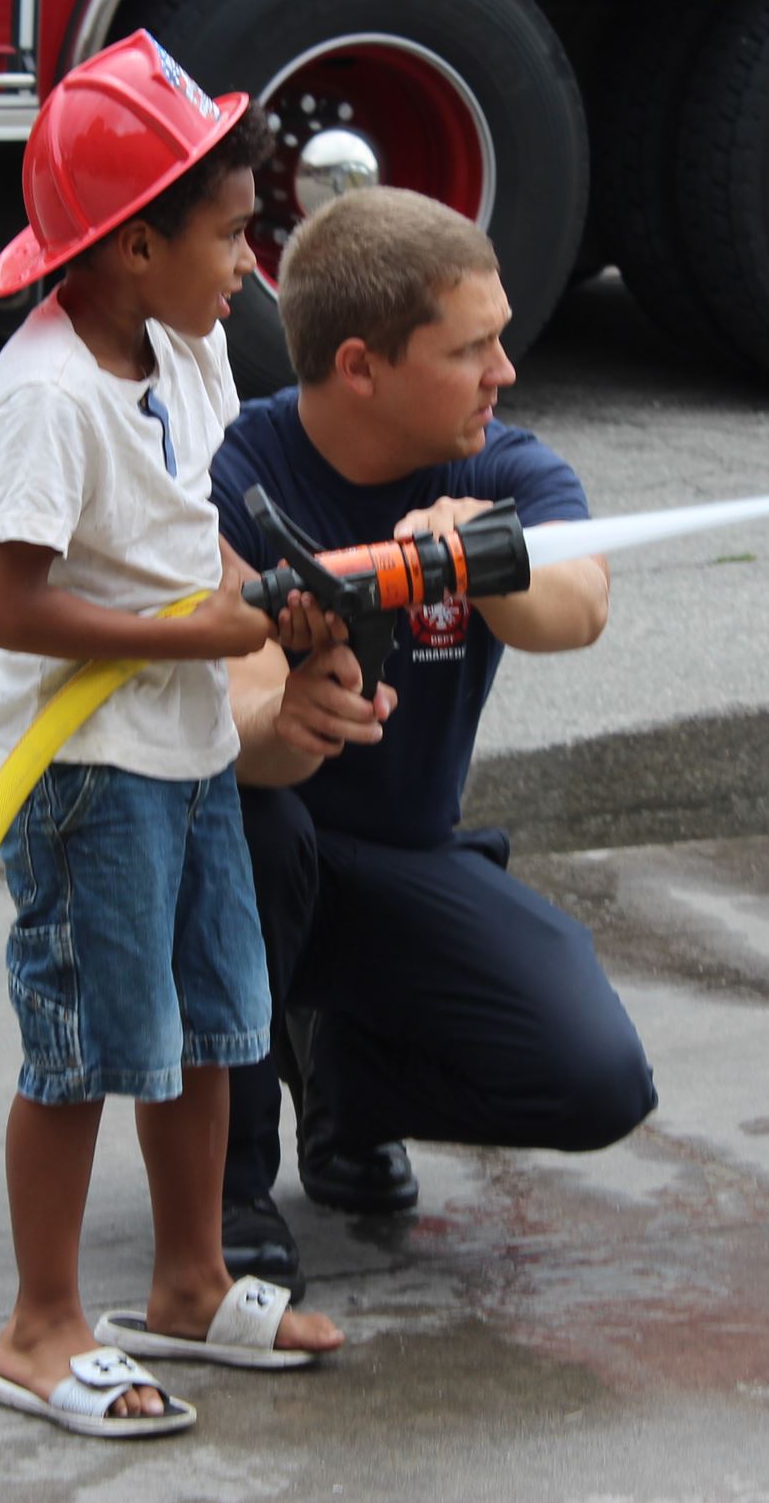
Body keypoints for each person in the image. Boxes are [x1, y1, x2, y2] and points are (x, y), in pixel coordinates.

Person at [0, 31, 343, 1440]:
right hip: (86, 779)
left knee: (205, 1031)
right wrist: (201, 635)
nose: (251, 261)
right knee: (82, 1046)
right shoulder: (49, 394)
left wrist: (273, 606)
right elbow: (5, 601)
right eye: (233, 234)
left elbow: (200, 546)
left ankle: (191, 1280)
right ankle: (40, 1324)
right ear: (133, 244)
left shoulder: (187, 350)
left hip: (183, 752)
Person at [208, 186, 659, 1293]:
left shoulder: (502, 469)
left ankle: (346, 1083)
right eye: (471, 349)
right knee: (257, 826)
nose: (503, 371)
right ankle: (224, 1186)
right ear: (359, 366)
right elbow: (231, 718)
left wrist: (483, 561)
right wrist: (285, 716)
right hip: (247, 870)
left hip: (403, 864)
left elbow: (579, 607)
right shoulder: (230, 474)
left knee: (596, 1079)